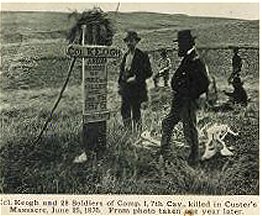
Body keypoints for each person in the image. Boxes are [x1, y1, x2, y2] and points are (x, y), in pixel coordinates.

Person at [161, 30, 210, 166]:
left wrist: (188, 95)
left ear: (186, 44)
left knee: (189, 130)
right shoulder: (188, 58)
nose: (178, 48)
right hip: (179, 101)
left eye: (179, 44)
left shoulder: (195, 60)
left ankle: (193, 160)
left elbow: (204, 83)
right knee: (167, 123)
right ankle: (165, 152)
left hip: (186, 102)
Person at [118, 30, 153, 132]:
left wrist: (136, 78)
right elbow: (122, 72)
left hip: (136, 89)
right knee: (124, 110)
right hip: (126, 89)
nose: (129, 43)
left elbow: (149, 72)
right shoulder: (125, 56)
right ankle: (128, 132)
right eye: (127, 41)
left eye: (131, 41)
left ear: (136, 42)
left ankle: (138, 133)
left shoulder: (142, 55)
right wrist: (120, 83)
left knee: (136, 111)